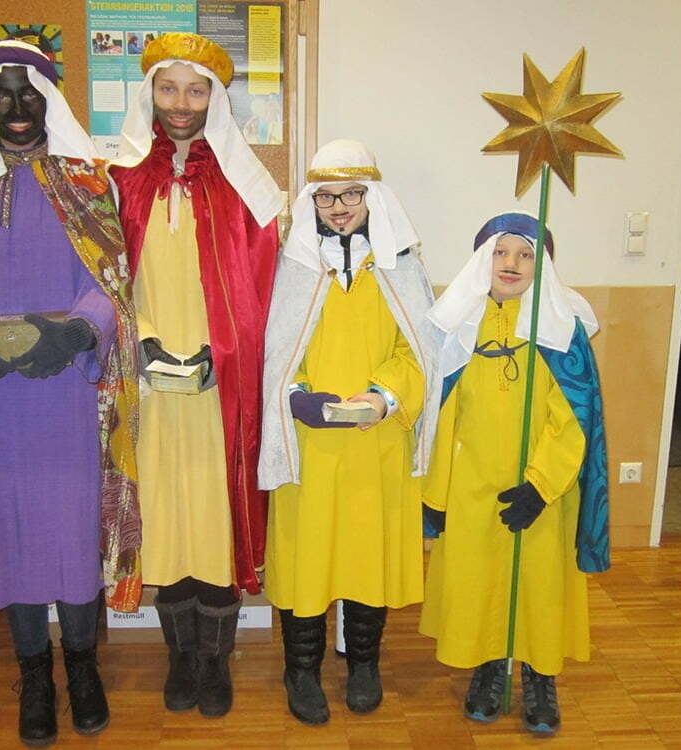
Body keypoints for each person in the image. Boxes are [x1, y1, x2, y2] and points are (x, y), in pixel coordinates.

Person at [0, 39, 141, 746]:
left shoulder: (87, 184)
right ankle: (34, 674)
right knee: (5, 538)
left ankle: (83, 667)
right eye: (1, 94)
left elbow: (111, 281)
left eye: (29, 92)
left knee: (70, 533)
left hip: (65, 395)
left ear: (49, 100)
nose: (16, 107)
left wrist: (76, 332)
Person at [109, 32, 282, 718]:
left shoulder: (246, 187)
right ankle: (179, 658)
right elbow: (105, 279)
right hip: (150, 387)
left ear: (215, 98)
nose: (181, 103)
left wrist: (223, 348)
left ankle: (215, 661)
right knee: (166, 523)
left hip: (219, 391)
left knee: (214, 523)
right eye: (168, 88)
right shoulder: (119, 181)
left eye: (196, 89)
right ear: (149, 93)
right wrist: (142, 341)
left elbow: (263, 293)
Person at [258, 139, 442, 725]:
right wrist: (298, 395)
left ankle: (364, 663)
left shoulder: (400, 267)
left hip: (376, 444)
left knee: (367, 556)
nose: (339, 207)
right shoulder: (293, 268)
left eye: (352, 194)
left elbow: (419, 353)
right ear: (312, 201)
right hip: (309, 447)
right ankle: (301, 669)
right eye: (327, 196)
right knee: (306, 560)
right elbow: (277, 351)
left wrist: (383, 397)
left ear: (372, 198)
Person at [418, 212, 610, 736]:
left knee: (539, 584)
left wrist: (541, 485)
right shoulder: (460, 326)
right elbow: (444, 413)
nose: (512, 263)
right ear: (483, 260)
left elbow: (574, 419)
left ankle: (540, 676)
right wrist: (437, 492)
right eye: (501, 252)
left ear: (541, 266)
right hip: (472, 487)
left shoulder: (561, 331)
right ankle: (489, 667)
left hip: (540, 491)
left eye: (526, 255)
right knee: (480, 580)